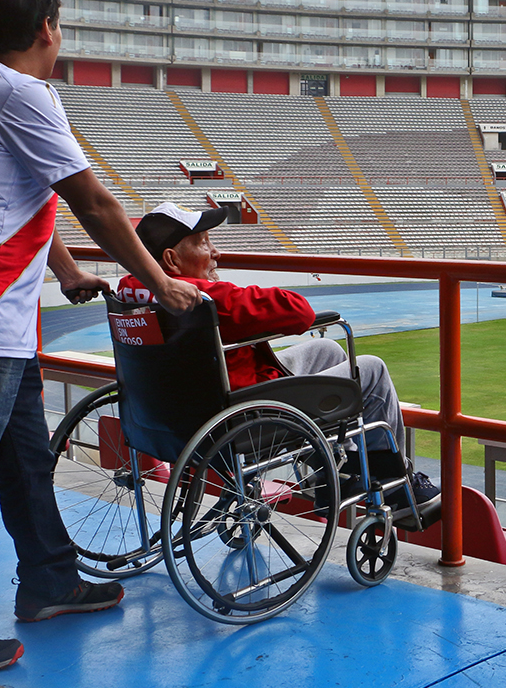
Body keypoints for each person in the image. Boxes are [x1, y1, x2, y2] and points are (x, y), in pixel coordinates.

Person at [0, 0, 200, 675]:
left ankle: (50, 579)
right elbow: (94, 203)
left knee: (27, 458)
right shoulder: (24, 94)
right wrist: (159, 283)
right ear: (46, 28)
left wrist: (65, 271)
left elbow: (18, 191)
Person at [114, 202, 439, 509]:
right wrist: (226, 289)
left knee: (326, 350)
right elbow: (299, 312)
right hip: (237, 410)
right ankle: (397, 483)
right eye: (203, 242)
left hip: (167, 411)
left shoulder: (128, 289)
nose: (216, 252)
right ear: (171, 260)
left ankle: (333, 472)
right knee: (372, 369)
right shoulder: (205, 298)